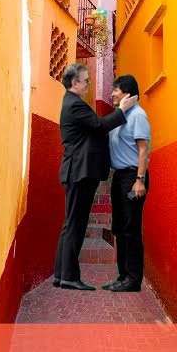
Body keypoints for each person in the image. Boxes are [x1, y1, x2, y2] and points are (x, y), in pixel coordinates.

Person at [53, 63, 137, 291]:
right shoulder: (74, 104)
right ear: (75, 83)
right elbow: (100, 125)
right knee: (76, 224)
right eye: (86, 80)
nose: (88, 84)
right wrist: (122, 110)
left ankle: (61, 274)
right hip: (79, 172)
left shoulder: (71, 103)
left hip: (77, 170)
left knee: (71, 223)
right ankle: (69, 276)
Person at [102, 75, 150, 293]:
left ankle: (133, 279)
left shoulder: (138, 115)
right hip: (120, 177)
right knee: (119, 229)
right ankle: (123, 276)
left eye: (116, 90)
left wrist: (140, 180)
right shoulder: (121, 114)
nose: (112, 93)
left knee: (131, 230)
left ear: (127, 93)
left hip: (133, 177)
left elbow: (143, 150)